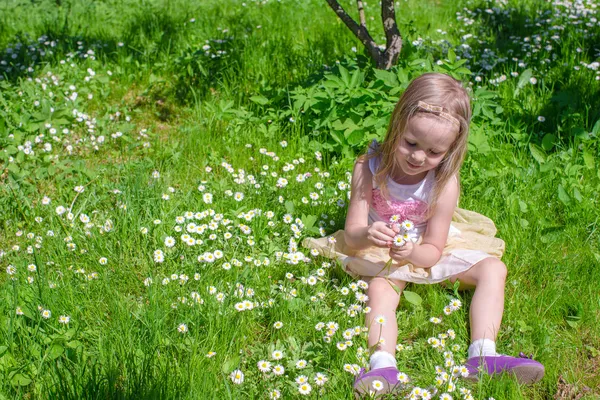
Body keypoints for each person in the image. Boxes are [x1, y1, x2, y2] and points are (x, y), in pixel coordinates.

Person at [304, 73, 544, 396]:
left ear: (450, 150)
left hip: (424, 248)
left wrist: (413, 254)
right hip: (378, 251)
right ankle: (383, 365)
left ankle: (483, 354)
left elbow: (433, 249)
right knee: (380, 290)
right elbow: (351, 235)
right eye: (411, 143)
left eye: (433, 152)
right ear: (398, 123)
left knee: (494, 269)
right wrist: (368, 234)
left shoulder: (444, 184)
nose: (418, 157)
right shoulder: (368, 168)